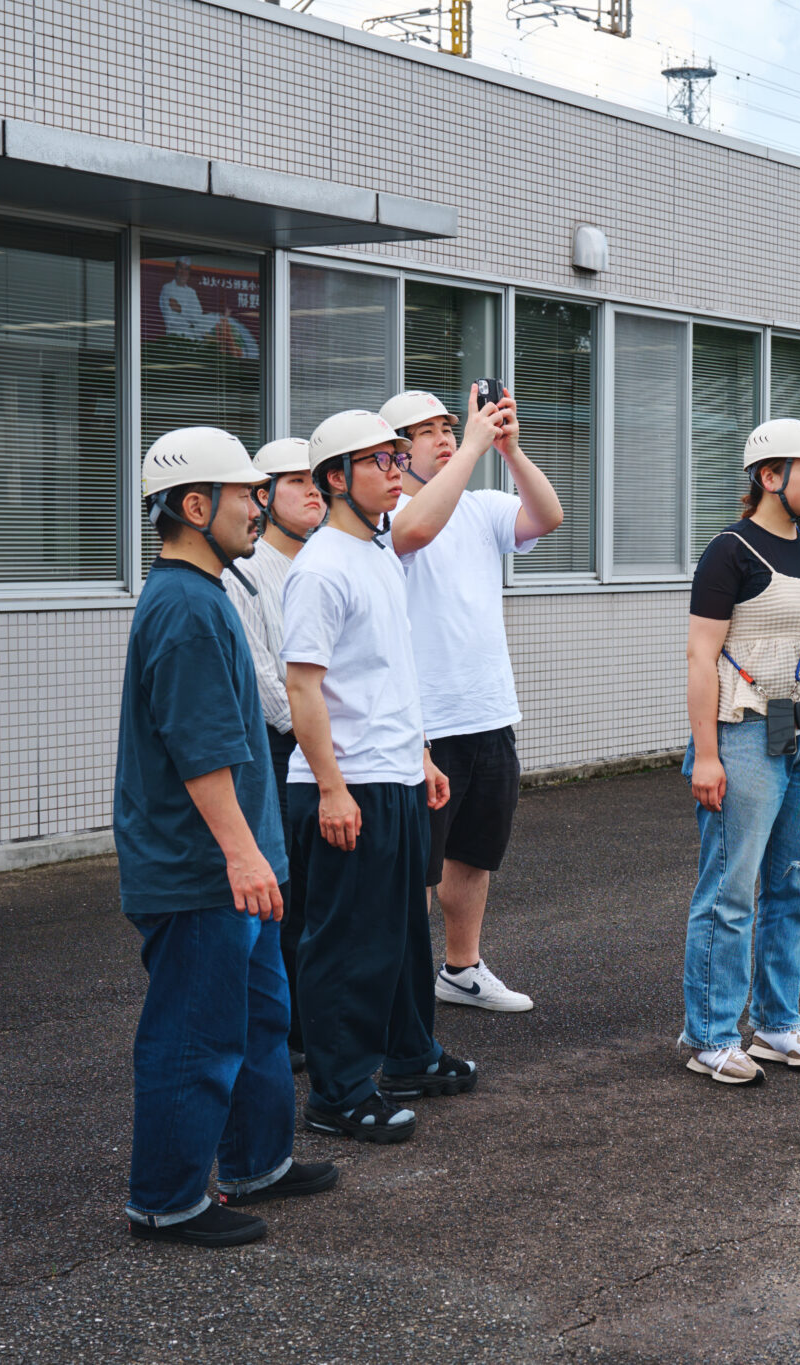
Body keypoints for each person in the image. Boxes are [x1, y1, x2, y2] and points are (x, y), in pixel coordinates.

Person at [116, 426, 337, 1248]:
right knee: (193, 1034)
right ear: (195, 505)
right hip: (202, 869)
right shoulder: (182, 606)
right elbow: (200, 751)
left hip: (236, 864)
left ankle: (257, 1164)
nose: (259, 504)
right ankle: (165, 1202)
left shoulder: (211, 592)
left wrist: (256, 855)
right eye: (246, 493)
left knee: (257, 1022)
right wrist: (244, 854)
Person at [280, 407, 498, 1141]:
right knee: (349, 942)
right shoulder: (319, 568)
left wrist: (423, 757)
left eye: (395, 456)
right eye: (377, 459)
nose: (395, 467)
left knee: (405, 931)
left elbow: (388, 674)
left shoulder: (376, 552)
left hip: (398, 773)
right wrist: (334, 787)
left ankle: (409, 1053)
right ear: (335, 478)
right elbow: (304, 689)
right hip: (349, 784)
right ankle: (338, 1093)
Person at [679, 418, 800, 1086]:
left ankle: (777, 1025)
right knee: (731, 887)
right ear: (768, 476)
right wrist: (705, 754)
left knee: (796, 882)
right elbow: (701, 656)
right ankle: (712, 1034)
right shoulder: (728, 551)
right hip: (744, 731)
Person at [380, 386, 564, 1013]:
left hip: (488, 709)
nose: (445, 435)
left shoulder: (483, 506)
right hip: (424, 723)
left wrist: (509, 450)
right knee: (417, 869)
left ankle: (461, 969)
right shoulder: (384, 515)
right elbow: (416, 529)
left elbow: (548, 516)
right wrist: (477, 448)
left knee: (474, 854)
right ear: (395, 453)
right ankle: (398, 987)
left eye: (448, 426)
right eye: (426, 430)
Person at [222, 437, 326, 1072]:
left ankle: (311, 1020)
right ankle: (287, 1031)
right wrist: (318, 731)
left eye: (318, 479)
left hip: (323, 747)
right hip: (283, 747)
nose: (314, 489)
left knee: (318, 895)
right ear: (262, 496)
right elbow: (268, 682)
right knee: (287, 893)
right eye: (296, 481)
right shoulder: (246, 571)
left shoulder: (325, 560)